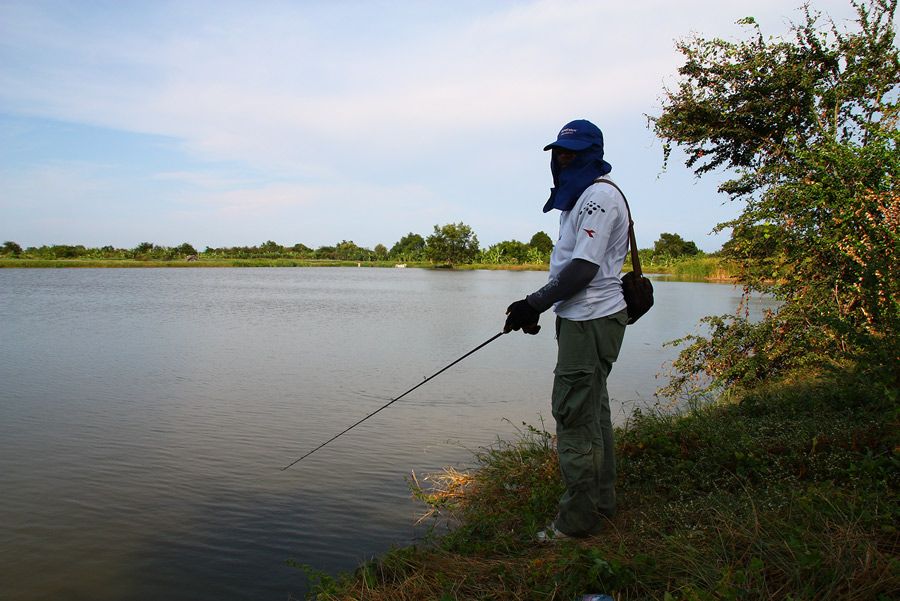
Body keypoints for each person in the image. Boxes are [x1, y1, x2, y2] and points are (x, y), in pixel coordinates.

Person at [504, 119, 630, 540]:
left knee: (575, 418)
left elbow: (583, 269)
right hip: (586, 318)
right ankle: (603, 505)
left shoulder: (597, 197)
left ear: (592, 154)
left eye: (571, 153)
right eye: (558, 153)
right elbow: (573, 271)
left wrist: (532, 303)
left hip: (591, 319)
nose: (562, 160)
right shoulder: (582, 198)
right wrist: (542, 308)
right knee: (595, 413)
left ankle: (576, 526)